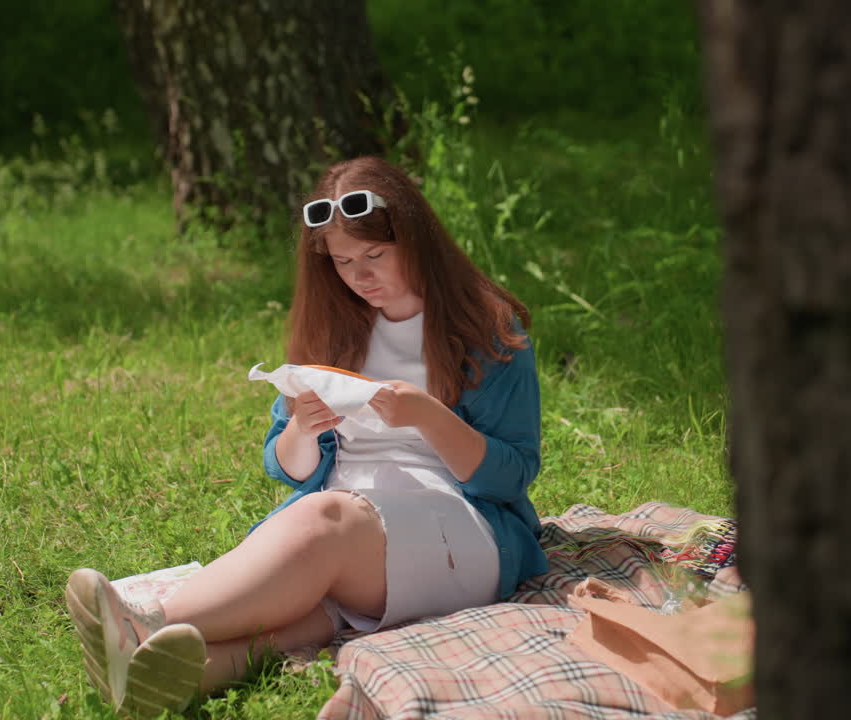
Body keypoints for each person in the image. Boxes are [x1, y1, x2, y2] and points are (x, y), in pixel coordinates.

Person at [65, 156, 546, 717]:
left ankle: (144, 622)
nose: (360, 276)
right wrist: (302, 427)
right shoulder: (337, 326)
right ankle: (164, 675)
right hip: (352, 541)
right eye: (343, 261)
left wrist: (428, 416)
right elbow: (284, 465)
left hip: (458, 530)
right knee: (303, 603)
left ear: (417, 241)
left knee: (324, 520)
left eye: (375, 256)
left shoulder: (485, 330)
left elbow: (513, 474)